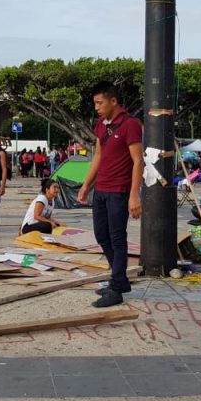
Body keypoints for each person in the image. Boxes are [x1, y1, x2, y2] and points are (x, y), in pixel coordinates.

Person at [77, 81, 143, 308]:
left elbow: (138, 161)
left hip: (119, 191)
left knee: (117, 238)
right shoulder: (101, 125)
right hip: (101, 189)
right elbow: (98, 156)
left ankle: (116, 288)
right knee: (101, 236)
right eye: (94, 103)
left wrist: (134, 196)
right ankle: (120, 279)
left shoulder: (130, 124)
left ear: (113, 101)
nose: (96, 107)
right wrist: (86, 185)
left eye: (100, 102)